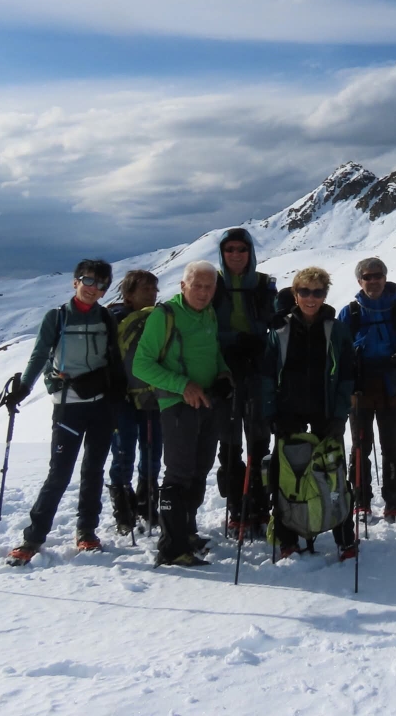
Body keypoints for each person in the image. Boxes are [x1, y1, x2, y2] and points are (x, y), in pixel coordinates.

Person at [4, 259, 124, 565]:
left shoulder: (106, 319)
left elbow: (114, 360)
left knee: (93, 469)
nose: (93, 288)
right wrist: (24, 387)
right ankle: (33, 537)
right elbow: (39, 355)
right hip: (68, 406)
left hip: (101, 405)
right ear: (76, 282)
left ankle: (87, 530)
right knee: (59, 472)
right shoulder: (56, 318)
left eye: (100, 284)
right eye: (88, 281)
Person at [133, 260, 232, 567]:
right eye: (197, 286)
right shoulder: (165, 316)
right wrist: (183, 385)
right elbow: (142, 365)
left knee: (199, 470)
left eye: (209, 287)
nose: (203, 292)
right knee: (178, 474)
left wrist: (224, 376)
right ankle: (171, 546)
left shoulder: (208, 313)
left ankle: (186, 532)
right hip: (176, 405)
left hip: (207, 403)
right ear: (183, 286)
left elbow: (212, 352)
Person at [263, 267, 357, 560]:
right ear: (295, 294)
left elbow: (347, 374)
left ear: (325, 294)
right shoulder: (280, 330)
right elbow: (267, 375)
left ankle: (345, 537)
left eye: (317, 292)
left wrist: (340, 415)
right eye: (305, 292)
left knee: (335, 475)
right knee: (285, 476)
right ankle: (287, 535)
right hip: (289, 410)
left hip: (325, 411)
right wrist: (271, 411)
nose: (311, 298)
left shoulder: (336, 328)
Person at [338, 257, 396, 522]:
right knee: (361, 447)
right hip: (360, 390)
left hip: (389, 388)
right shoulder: (349, 312)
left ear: (385, 277)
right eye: (367, 276)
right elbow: (338, 350)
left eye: (377, 275)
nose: (373, 281)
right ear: (359, 280)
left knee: (390, 447)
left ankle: (393, 501)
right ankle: (360, 500)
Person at [212, 227, 277, 535]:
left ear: (250, 252)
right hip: (222, 372)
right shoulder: (212, 285)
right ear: (222, 254)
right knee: (229, 444)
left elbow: (274, 325)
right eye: (230, 249)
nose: (236, 254)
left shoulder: (264, 285)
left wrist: (256, 344)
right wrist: (233, 340)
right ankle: (238, 504)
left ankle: (260, 504)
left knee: (259, 442)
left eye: (241, 249)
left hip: (257, 369)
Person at [106, 269, 163, 534]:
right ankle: (126, 506)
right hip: (125, 397)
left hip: (148, 395)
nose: (152, 294)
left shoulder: (157, 318)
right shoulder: (113, 321)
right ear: (128, 294)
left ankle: (144, 503)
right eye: (145, 290)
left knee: (151, 453)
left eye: (154, 289)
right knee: (125, 453)